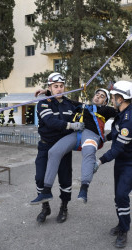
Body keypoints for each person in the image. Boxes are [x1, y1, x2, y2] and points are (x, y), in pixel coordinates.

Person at [30, 88, 132, 205]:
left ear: (105, 102)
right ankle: (47, 190)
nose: (98, 97)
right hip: (76, 133)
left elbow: (121, 109)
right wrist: (48, 93)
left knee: (88, 150)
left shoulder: (107, 110)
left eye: (102, 96)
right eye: (97, 94)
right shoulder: (83, 106)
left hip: (91, 134)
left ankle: (84, 188)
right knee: (54, 151)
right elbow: (65, 99)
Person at [95, 81, 132, 249]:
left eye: (114, 97)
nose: (112, 99)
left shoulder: (130, 121)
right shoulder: (121, 113)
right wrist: (102, 138)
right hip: (122, 161)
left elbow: (117, 149)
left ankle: (124, 230)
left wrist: (99, 161)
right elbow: (114, 133)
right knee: (118, 196)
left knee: (122, 195)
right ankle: (121, 223)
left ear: (121, 98)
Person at [31, 72, 84, 223]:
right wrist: (71, 125)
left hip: (63, 149)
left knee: (65, 180)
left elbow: (88, 108)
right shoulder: (43, 103)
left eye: (61, 86)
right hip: (45, 147)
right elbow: (51, 121)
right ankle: (45, 207)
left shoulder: (69, 104)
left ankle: (64, 207)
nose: (59, 89)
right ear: (50, 88)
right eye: (55, 87)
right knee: (40, 178)